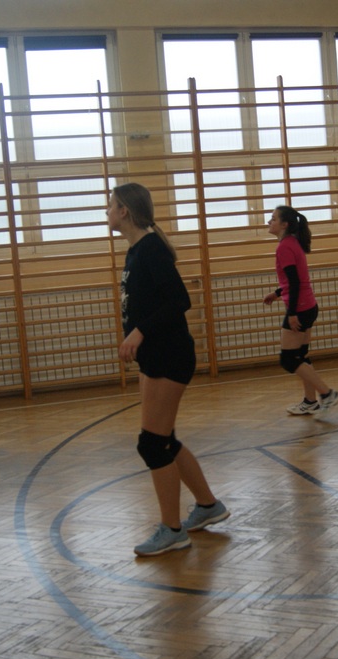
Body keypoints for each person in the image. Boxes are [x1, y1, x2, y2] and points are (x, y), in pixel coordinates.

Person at [110, 182, 230, 557]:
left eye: (111, 206)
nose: (107, 212)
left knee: (152, 444)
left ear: (125, 211)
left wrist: (139, 332)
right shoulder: (136, 250)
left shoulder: (151, 249)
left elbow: (180, 300)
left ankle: (172, 530)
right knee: (165, 439)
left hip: (169, 354)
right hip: (155, 355)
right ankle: (208, 506)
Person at [262, 205, 338, 419]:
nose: (269, 222)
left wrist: (292, 313)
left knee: (288, 359)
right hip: (308, 306)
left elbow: (295, 282)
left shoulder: (285, 247)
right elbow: (294, 280)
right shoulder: (292, 242)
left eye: (273, 218)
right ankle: (310, 402)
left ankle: (327, 394)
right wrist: (277, 293)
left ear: (284, 224)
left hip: (301, 308)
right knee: (300, 356)